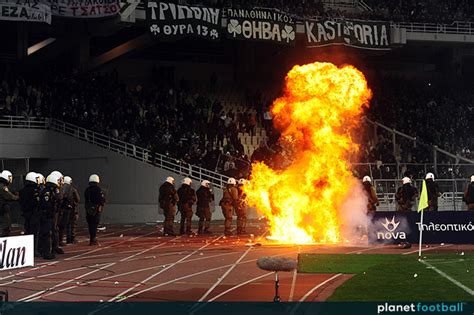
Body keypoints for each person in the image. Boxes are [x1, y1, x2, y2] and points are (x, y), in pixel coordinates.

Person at [38, 173, 62, 260]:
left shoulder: (51, 191)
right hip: (46, 216)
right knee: (47, 234)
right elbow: (47, 204)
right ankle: (46, 252)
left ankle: (49, 250)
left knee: (49, 233)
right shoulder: (47, 192)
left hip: (49, 215)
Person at [19, 172, 41, 256]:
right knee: (34, 233)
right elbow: (36, 203)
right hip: (34, 214)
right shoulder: (35, 191)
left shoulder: (22, 191)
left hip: (26, 214)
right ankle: (34, 250)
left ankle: (26, 250)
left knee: (27, 232)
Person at [84, 174, 106, 246]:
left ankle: (91, 239)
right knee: (95, 224)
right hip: (96, 209)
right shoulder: (99, 190)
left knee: (90, 224)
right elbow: (101, 200)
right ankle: (93, 239)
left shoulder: (87, 190)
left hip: (88, 209)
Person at [58, 176, 80, 245]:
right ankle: (71, 239)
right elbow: (78, 199)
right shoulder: (73, 189)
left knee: (64, 225)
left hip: (63, 210)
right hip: (72, 209)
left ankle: (63, 239)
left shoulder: (60, 189)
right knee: (72, 224)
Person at [0, 170, 19, 237]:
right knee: (5, 227)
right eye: (9, 177)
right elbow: (10, 197)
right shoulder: (3, 187)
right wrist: (18, 197)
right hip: (3, 210)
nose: (10, 179)